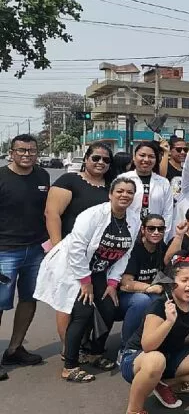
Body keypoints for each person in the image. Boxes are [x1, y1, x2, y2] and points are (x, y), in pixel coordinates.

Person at [35, 178, 140, 383]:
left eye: (129, 192)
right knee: (82, 313)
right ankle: (70, 365)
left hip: (100, 272)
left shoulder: (133, 219)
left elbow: (125, 253)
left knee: (108, 308)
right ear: (110, 194)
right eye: (120, 191)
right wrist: (85, 281)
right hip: (74, 269)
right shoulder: (92, 215)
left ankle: (94, 353)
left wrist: (112, 283)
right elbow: (76, 248)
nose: (124, 195)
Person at [121, 254, 189, 412]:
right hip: (137, 358)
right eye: (184, 280)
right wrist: (168, 322)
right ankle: (134, 410)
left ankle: (164, 383)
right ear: (173, 283)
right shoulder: (160, 305)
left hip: (169, 355)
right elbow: (147, 346)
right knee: (155, 359)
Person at [45, 143, 113, 356]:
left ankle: (83, 344)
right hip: (70, 252)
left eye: (106, 159)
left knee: (88, 303)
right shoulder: (70, 180)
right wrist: (57, 248)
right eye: (96, 158)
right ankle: (69, 350)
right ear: (85, 159)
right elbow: (52, 213)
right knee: (67, 302)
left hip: (99, 257)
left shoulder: (111, 186)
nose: (101, 162)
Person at [0, 134, 50, 380]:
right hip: (5, 250)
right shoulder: (1, 177)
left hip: (36, 250)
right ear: (12, 152)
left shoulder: (43, 176)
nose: (27, 154)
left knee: (29, 299)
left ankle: (14, 349)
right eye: (21, 150)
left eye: (31, 150)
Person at [118, 214, 167, 359]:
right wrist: (149, 287)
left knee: (162, 300)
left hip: (149, 293)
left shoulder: (161, 248)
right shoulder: (135, 249)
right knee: (143, 301)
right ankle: (126, 348)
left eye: (160, 229)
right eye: (151, 228)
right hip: (123, 297)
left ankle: (153, 343)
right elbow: (126, 283)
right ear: (143, 230)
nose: (156, 232)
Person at [120, 142, 173, 224]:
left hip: (155, 232)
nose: (146, 159)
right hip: (127, 230)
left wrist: (163, 234)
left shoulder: (164, 183)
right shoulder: (122, 179)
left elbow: (168, 213)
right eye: (142, 155)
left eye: (151, 156)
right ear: (134, 157)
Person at [159, 135, 188, 202]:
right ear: (170, 151)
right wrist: (166, 152)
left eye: (185, 150)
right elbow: (161, 177)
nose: (183, 152)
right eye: (179, 150)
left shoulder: (185, 170)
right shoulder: (165, 166)